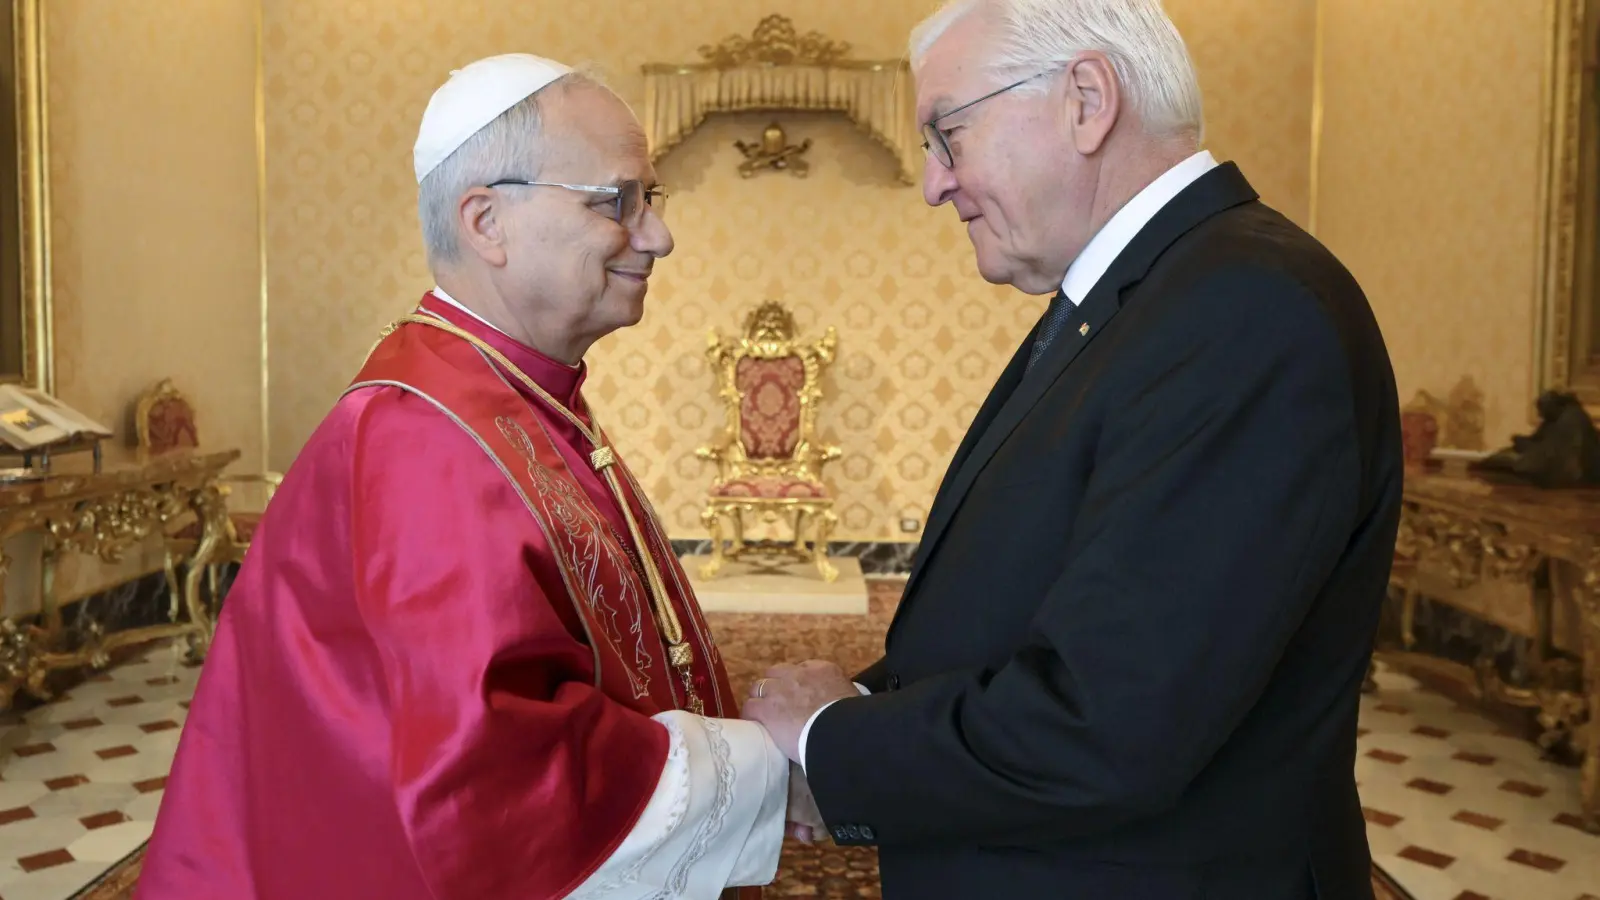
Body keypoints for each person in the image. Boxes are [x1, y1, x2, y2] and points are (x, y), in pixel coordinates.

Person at [743, 1, 1401, 898]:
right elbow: (1029, 604)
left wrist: (830, 740)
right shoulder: (1154, 295)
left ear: (1087, 100)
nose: (934, 183)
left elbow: (1113, 718)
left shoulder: (1245, 310)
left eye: (948, 135)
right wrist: (859, 714)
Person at [139, 53, 813, 899]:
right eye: (619, 201)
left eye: (653, 199)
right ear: (486, 221)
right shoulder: (426, 434)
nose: (657, 235)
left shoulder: (503, 390)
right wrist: (773, 766)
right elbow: (501, 770)